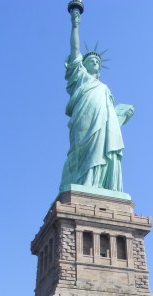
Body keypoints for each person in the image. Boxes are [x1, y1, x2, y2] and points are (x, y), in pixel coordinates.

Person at [59, 7, 134, 193]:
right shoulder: (80, 77)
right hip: (84, 120)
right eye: (91, 60)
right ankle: (84, 184)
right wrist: (75, 25)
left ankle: (99, 185)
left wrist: (121, 115)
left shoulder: (104, 89)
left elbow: (111, 119)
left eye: (97, 62)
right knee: (82, 152)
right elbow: (75, 49)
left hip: (104, 125)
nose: (95, 62)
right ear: (82, 65)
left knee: (102, 151)